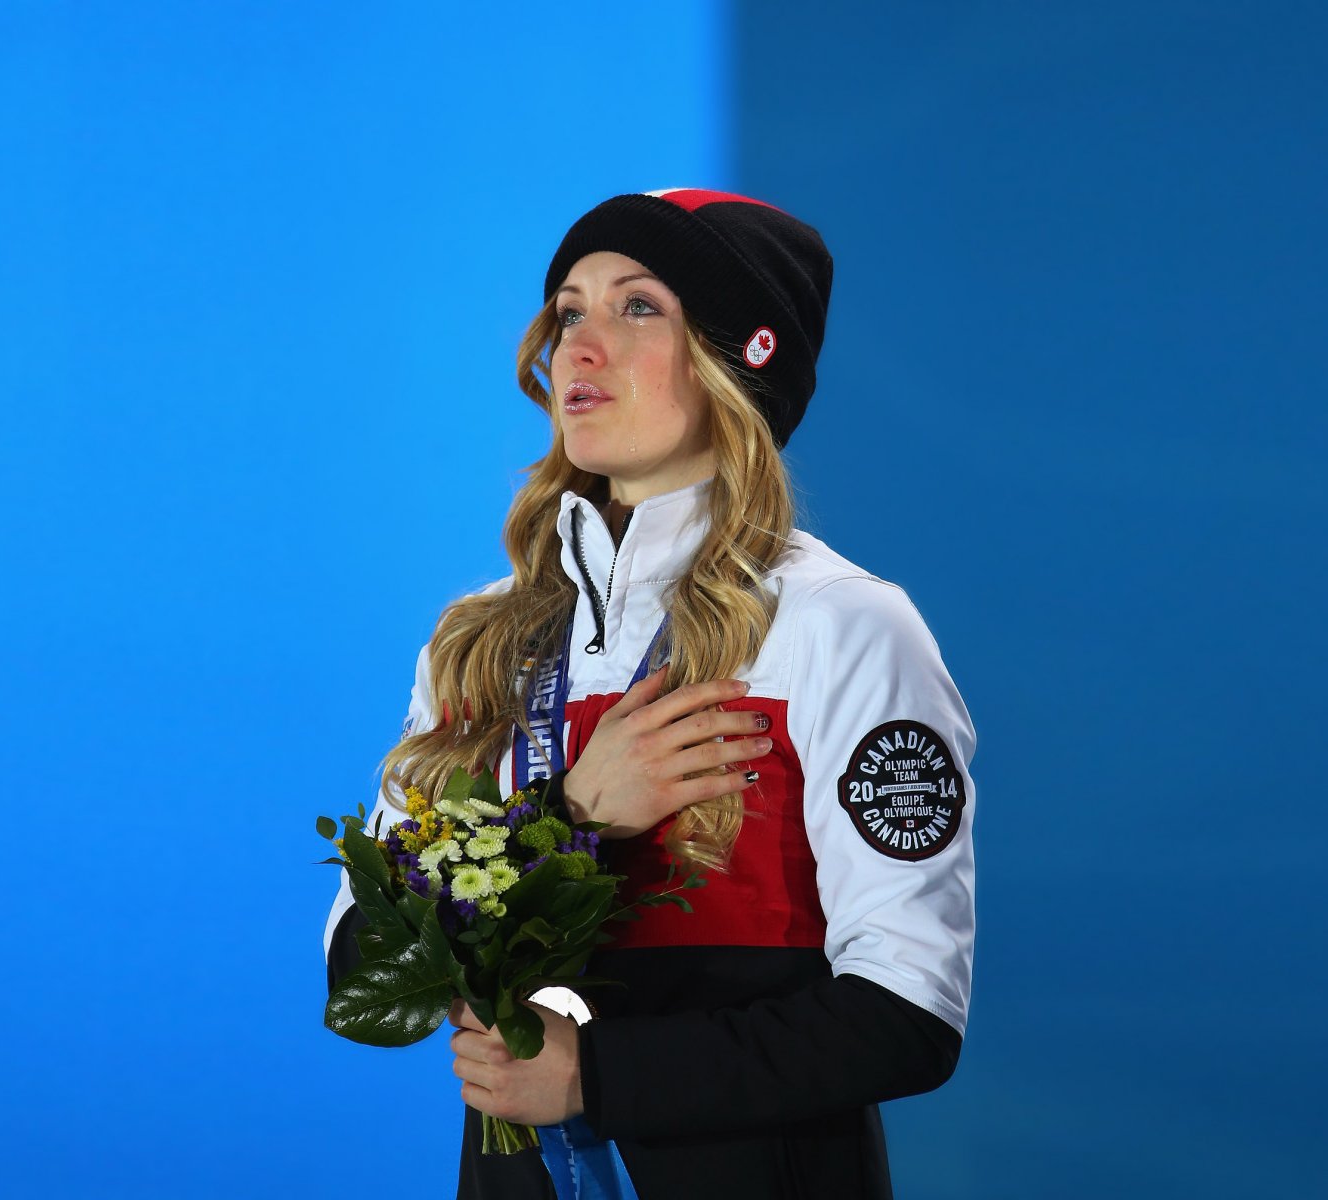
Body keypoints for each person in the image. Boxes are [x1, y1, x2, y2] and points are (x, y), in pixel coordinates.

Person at [321, 188, 975, 1199]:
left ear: (737, 359)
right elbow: (361, 982)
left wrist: (593, 1077)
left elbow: (907, 1017)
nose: (578, 348)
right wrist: (572, 812)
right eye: (568, 310)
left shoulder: (840, 624)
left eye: (636, 308)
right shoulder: (476, 642)